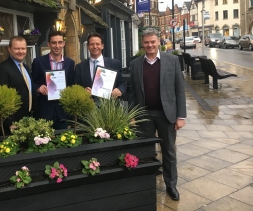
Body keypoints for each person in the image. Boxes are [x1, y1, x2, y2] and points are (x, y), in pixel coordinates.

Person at [128, 27, 186, 201]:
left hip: (166, 114)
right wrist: (132, 114)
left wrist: (180, 116)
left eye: (152, 41)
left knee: (168, 151)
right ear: (142, 44)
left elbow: (179, 89)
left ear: (158, 41)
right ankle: (147, 184)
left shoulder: (172, 60)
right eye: (146, 42)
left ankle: (171, 185)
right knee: (146, 151)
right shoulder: (135, 64)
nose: (150, 45)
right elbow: (132, 92)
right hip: (144, 114)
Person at [31, 31, 75, 129]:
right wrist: (38, 88)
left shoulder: (70, 63)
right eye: (54, 43)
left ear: (64, 43)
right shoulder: (38, 62)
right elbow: (31, 82)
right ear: (49, 44)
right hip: (44, 110)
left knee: (63, 140)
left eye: (60, 42)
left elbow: (72, 83)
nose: (57, 46)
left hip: (63, 111)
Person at [0, 36, 37, 132]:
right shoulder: (1, 69)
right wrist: (9, 122)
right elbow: (1, 98)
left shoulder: (25, 67)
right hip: (14, 123)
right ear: (9, 49)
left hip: (28, 118)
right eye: (17, 48)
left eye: (23, 48)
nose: (20, 51)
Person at [74, 32, 126, 98]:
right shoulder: (79, 67)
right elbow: (76, 87)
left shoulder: (114, 64)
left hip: (109, 105)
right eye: (92, 44)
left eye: (97, 44)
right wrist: (83, 92)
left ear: (102, 46)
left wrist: (120, 90)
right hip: (88, 105)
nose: (95, 47)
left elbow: (122, 83)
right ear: (88, 46)